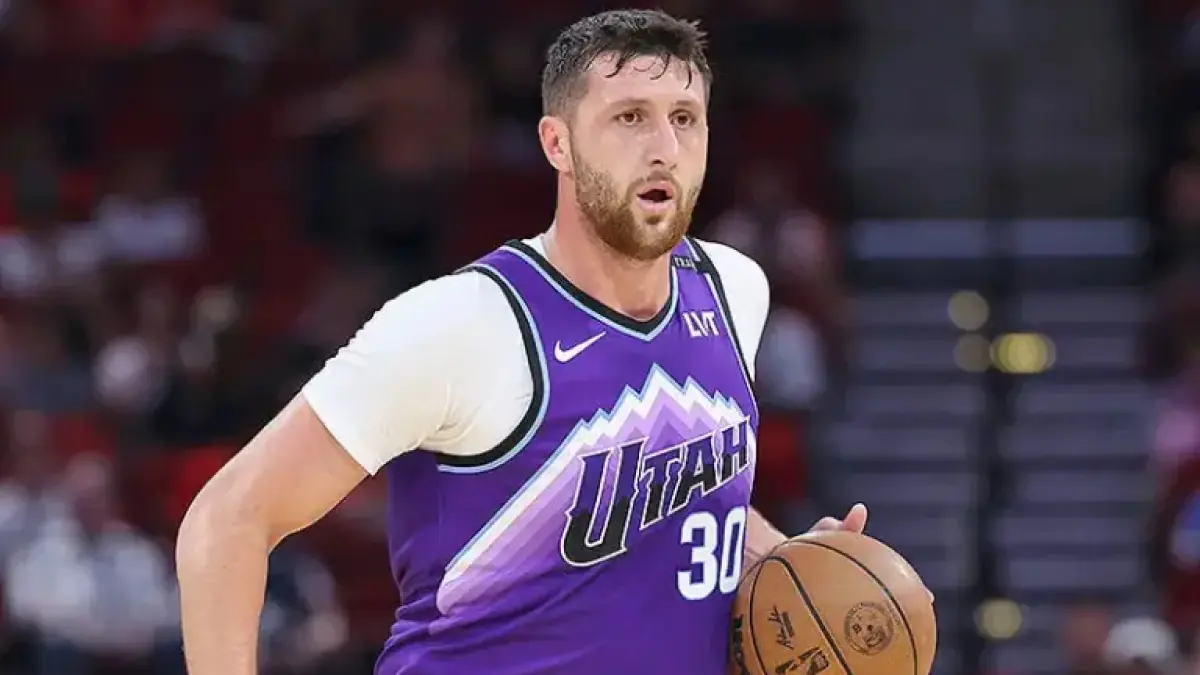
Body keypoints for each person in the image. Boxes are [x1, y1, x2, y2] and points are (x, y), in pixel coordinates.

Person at [176, 9, 889, 675]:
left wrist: (786, 560)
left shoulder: (734, 289)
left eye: (684, 118)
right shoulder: (463, 322)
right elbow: (227, 517)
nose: (664, 148)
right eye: (629, 118)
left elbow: (674, 495)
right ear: (558, 143)